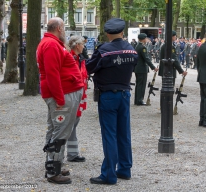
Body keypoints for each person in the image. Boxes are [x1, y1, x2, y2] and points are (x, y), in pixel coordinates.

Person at [86, 18, 138, 185]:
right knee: (124, 133)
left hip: (108, 95)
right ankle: (124, 168)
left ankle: (109, 174)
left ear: (107, 33)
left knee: (109, 135)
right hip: (125, 93)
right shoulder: (131, 50)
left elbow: (89, 68)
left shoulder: (103, 50)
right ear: (122, 33)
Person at [37, 17, 84, 184]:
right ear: (58, 28)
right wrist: (59, 99)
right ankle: (53, 171)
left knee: (56, 129)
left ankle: (54, 164)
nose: (64, 31)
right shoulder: (51, 44)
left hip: (65, 92)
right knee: (60, 130)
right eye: (63, 27)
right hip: (64, 94)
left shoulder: (51, 43)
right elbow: (52, 74)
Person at [65, 36, 88, 162]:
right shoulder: (71, 58)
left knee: (73, 124)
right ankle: (69, 154)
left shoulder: (79, 58)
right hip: (73, 94)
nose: (84, 46)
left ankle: (72, 153)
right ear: (77, 45)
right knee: (70, 125)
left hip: (79, 94)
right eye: (82, 44)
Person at [134, 33, 158, 105]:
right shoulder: (142, 47)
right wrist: (153, 67)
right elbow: (146, 58)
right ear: (143, 39)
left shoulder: (137, 46)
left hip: (138, 68)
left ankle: (137, 100)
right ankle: (140, 100)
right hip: (142, 68)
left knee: (138, 85)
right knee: (141, 85)